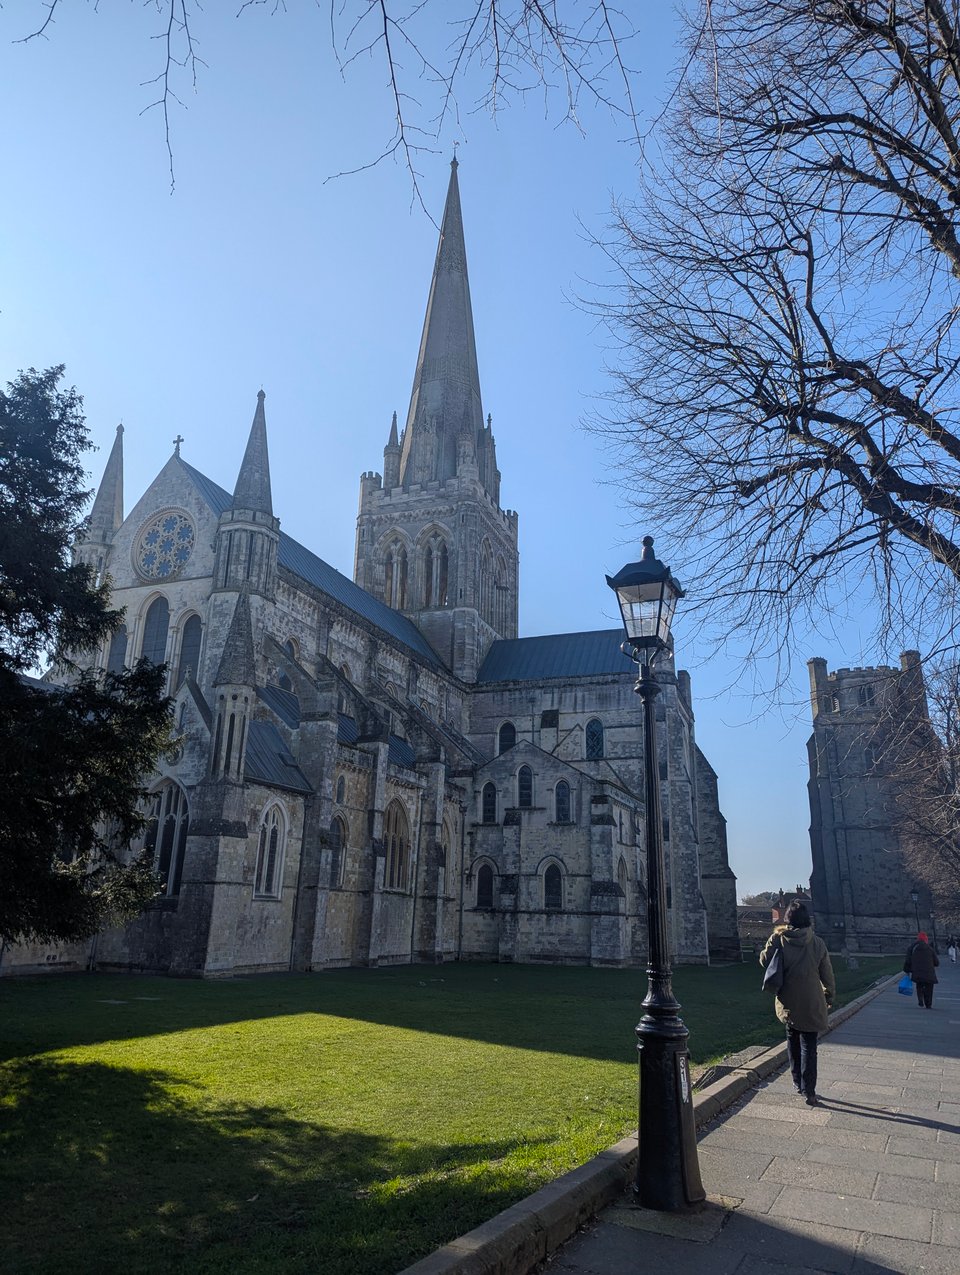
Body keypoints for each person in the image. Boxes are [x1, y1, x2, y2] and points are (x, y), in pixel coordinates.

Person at [760, 901, 836, 1107]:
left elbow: (764, 960)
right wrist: (829, 995)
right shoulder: (818, 942)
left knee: (793, 1041)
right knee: (809, 1046)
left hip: (789, 999)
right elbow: (827, 973)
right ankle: (809, 1091)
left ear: (788, 919)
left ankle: (797, 1082)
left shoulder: (780, 939)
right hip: (812, 999)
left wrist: (774, 938)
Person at [904, 931, 939, 1008]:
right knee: (929, 987)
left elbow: (908, 961)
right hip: (929, 973)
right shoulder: (930, 949)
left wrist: (907, 970)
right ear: (926, 939)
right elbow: (936, 962)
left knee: (919, 984)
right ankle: (928, 1003)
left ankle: (920, 999)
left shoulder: (912, 948)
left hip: (917, 972)